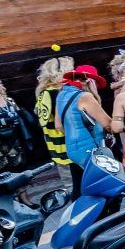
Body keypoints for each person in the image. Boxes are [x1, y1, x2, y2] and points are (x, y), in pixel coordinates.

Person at [56, 65, 112, 194]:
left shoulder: (62, 93)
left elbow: (58, 125)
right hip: (90, 150)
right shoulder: (85, 96)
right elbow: (107, 123)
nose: (97, 87)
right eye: (96, 83)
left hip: (72, 149)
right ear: (89, 81)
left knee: (80, 188)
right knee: (106, 189)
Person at [34, 55, 75, 190]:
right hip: (66, 140)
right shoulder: (57, 93)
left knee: (68, 180)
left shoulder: (43, 92)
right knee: (74, 181)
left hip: (54, 142)